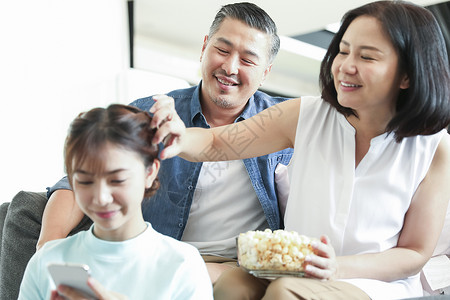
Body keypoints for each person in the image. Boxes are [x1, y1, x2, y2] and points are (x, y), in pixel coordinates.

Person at [149, 1, 450, 299]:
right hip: (292, 270)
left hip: (369, 282)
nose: (346, 66)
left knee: (285, 292)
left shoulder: (434, 147)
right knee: (234, 284)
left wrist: (336, 267)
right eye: (343, 51)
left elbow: (414, 252)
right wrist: (181, 137)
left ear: (408, 75)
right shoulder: (306, 114)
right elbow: (217, 142)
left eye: (367, 57)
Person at [0, 3, 293, 297]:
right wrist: (49, 249)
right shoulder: (155, 111)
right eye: (223, 49)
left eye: (247, 60)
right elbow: (81, 174)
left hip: (230, 264)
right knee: (22, 206)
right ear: (205, 47)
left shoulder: (283, 125)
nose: (230, 67)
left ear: (265, 72)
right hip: (149, 244)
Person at [18, 104, 213, 300]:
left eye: (117, 180)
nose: (101, 198)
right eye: (85, 181)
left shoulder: (182, 265)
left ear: (150, 172)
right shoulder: (48, 261)